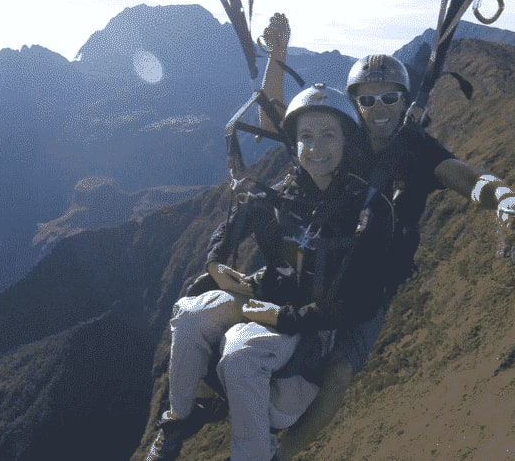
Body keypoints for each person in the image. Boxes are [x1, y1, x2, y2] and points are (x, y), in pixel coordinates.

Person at [275, 53, 515, 460]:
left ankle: (282, 454)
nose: (378, 109)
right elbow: (292, 131)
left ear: (404, 100)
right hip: (319, 264)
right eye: (368, 101)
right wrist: (276, 58)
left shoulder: (417, 150)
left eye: (389, 98)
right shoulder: (342, 138)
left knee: (339, 370)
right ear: (354, 105)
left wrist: (504, 198)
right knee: (276, 344)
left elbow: (465, 176)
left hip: (370, 281)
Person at [147, 83, 395, 461]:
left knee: (239, 351)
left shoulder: (366, 213)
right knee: (190, 312)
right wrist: (216, 262)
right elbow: (239, 218)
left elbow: (360, 304)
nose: (315, 148)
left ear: (347, 141)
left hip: (309, 328)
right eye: (306, 137)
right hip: (270, 300)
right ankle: (177, 419)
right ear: (294, 145)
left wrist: (283, 316)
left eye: (328, 135)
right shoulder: (288, 192)